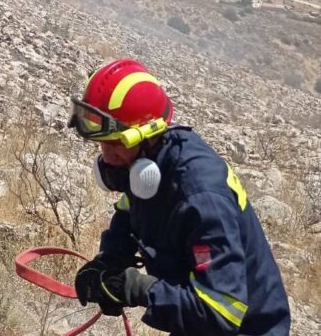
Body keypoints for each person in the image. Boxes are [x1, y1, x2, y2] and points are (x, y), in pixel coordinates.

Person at [68, 59, 290, 335]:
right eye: (101, 143)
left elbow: (221, 312)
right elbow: (129, 210)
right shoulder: (147, 164)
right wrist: (111, 258)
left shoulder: (201, 199)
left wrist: (139, 289)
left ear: (148, 136)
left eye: (116, 143)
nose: (106, 156)